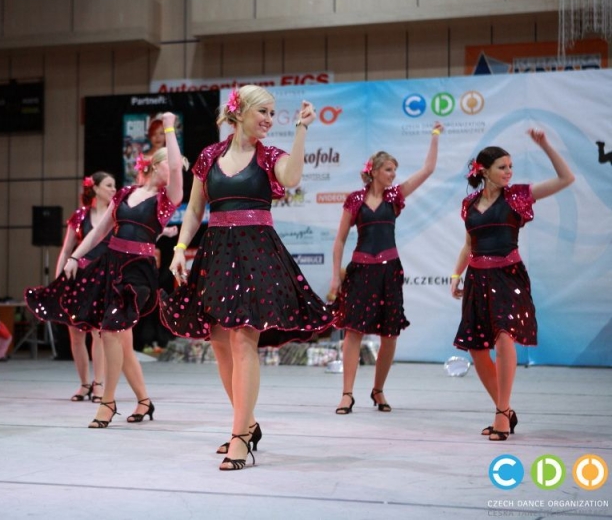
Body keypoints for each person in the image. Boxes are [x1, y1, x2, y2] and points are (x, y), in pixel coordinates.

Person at [160, 86, 331, 471]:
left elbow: (291, 177)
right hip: (218, 253)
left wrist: (302, 129)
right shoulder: (209, 156)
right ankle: (248, 423)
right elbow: (195, 211)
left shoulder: (270, 156)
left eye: (273, 113)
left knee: (242, 340)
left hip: (257, 255)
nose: (270, 119)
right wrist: (179, 248)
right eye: (263, 112)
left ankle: (239, 437)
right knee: (220, 343)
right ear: (240, 112)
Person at [26, 112, 183, 429]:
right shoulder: (124, 194)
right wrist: (74, 257)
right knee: (120, 341)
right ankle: (144, 401)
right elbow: (98, 232)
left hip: (139, 272)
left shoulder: (166, 199)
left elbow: (178, 167)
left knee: (111, 332)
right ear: (155, 164)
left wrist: (169, 126)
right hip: (112, 267)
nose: (177, 167)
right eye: (170, 163)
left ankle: (107, 402)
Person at [450, 128, 574, 441]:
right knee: (477, 349)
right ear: (484, 171)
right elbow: (468, 244)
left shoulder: (518, 195)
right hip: (477, 279)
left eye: (511, 166)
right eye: (502, 167)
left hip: (507, 277)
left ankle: (501, 415)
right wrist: (455, 275)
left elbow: (566, 178)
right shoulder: (469, 203)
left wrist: (545, 145)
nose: (509, 172)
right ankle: (505, 409)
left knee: (505, 336)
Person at [329, 122, 444, 416]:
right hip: (360, 271)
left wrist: (434, 136)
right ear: (375, 171)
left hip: (389, 271)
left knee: (390, 333)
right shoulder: (355, 200)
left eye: (395, 170)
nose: (393, 174)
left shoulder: (396, 197)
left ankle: (378, 389)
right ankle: (346, 394)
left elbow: (428, 169)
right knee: (353, 331)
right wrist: (335, 277)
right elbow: (339, 240)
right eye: (389, 169)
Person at [56, 171, 116, 402]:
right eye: (109, 185)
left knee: (98, 333)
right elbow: (66, 250)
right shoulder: (80, 216)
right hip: (79, 278)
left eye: (114, 185)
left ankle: (98, 384)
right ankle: (84, 384)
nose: (113, 189)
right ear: (96, 188)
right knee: (76, 334)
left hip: (103, 279)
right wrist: (59, 281)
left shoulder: (115, 216)